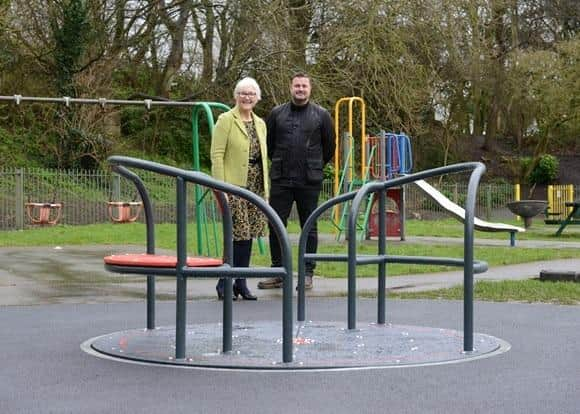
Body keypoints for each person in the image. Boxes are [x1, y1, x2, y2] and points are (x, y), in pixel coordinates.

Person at [257, 72, 335, 290]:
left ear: (310, 89)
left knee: (309, 227)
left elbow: (329, 147)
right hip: (281, 178)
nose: (300, 89)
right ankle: (278, 272)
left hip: (309, 180)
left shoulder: (322, 115)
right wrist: (281, 162)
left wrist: (314, 164)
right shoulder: (276, 114)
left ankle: (307, 273)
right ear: (290, 88)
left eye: (304, 86)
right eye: (297, 86)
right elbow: (269, 144)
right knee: (275, 224)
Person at [211, 77, 269, 300]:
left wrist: (266, 191)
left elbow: (263, 157)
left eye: (251, 94)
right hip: (234, 185)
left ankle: (241, 282)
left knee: (249, 235)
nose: (247, 97)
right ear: (236, 96)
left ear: (257, 98)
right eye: (243, 93)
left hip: (255, 185)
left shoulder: (260, 123)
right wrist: (220, 187)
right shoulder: (226, 120)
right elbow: (216, 154)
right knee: (236, 235)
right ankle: (224, 282)